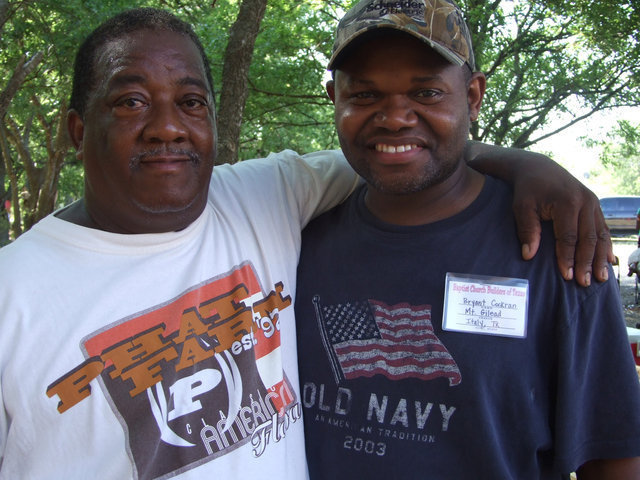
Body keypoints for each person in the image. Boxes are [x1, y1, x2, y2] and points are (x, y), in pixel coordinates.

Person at [0, 6, 615, 480]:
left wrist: (529, 165)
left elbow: (406, 153)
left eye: (190, 102)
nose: (167, 126)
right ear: (77, 129)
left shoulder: (262, 197)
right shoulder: (14, 293)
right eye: (131, 101)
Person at [295, 1, 640, 479]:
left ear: (473, 96)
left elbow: (613, 453)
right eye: (366, 95)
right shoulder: (294, 238)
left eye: (428, 92)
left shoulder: (558, 247)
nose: (395, 118)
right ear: (335, 98)